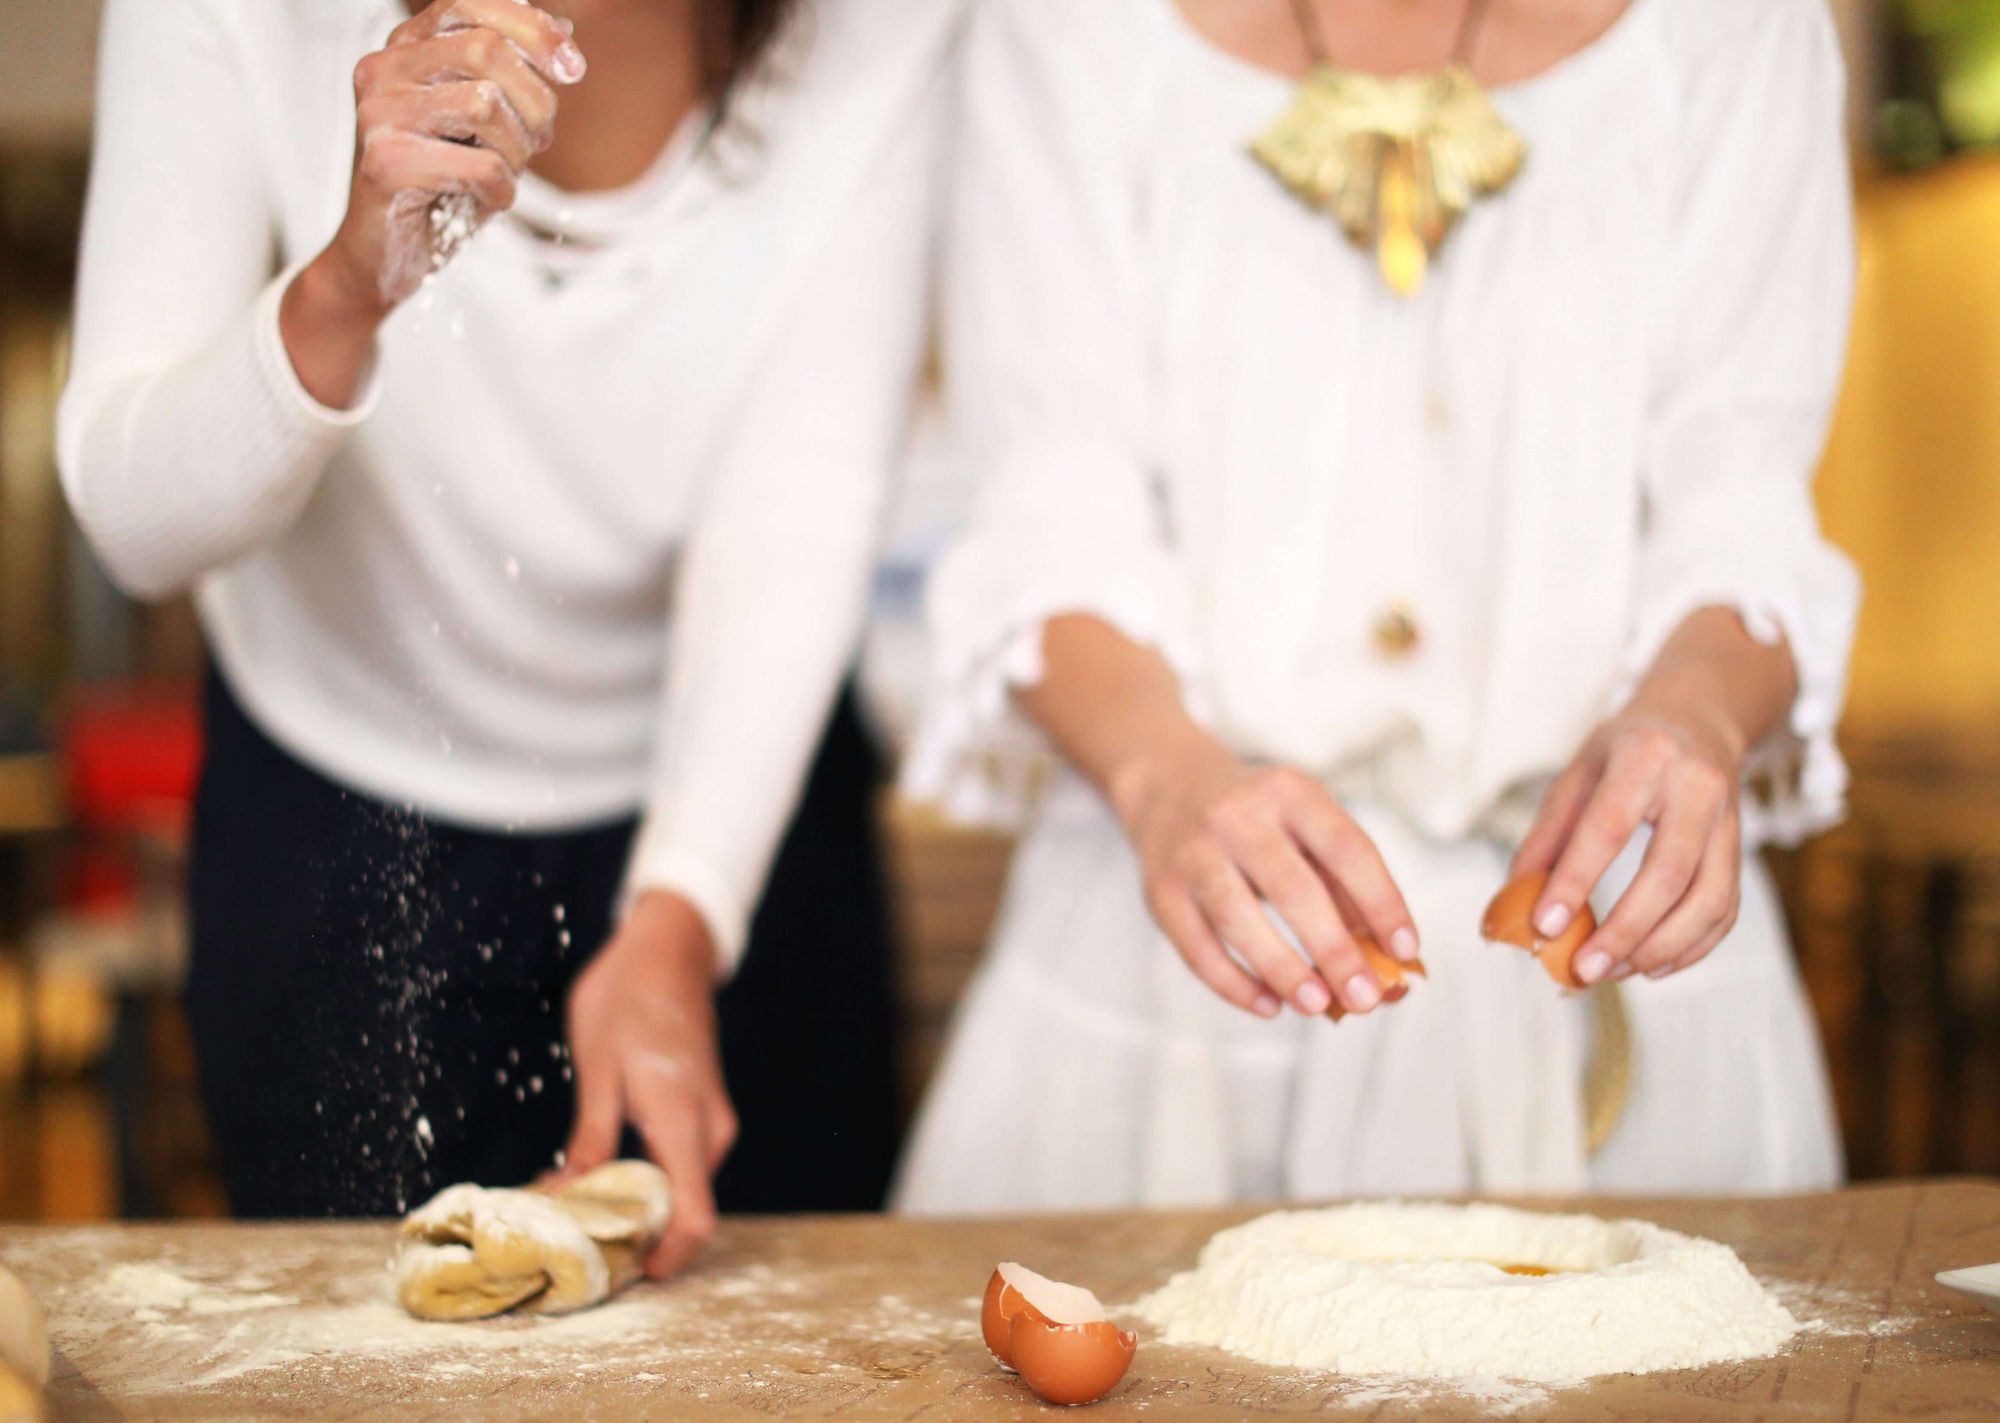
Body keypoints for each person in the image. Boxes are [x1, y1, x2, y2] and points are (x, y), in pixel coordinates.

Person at [896, 0, 1858, 1212]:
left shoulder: (1738, 31)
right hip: (1178, 1003)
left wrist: (1694, 721)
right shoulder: (1063, 31)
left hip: (1616, 991)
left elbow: (1740, 502)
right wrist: (1165, 780)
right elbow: (1049, 512)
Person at [60, 0, 960, 1269]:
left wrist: (684, 910)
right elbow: (135, 525)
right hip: (343, 815)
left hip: (733, 816)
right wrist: (344, 287)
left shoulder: (884, 27)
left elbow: (796, 504)